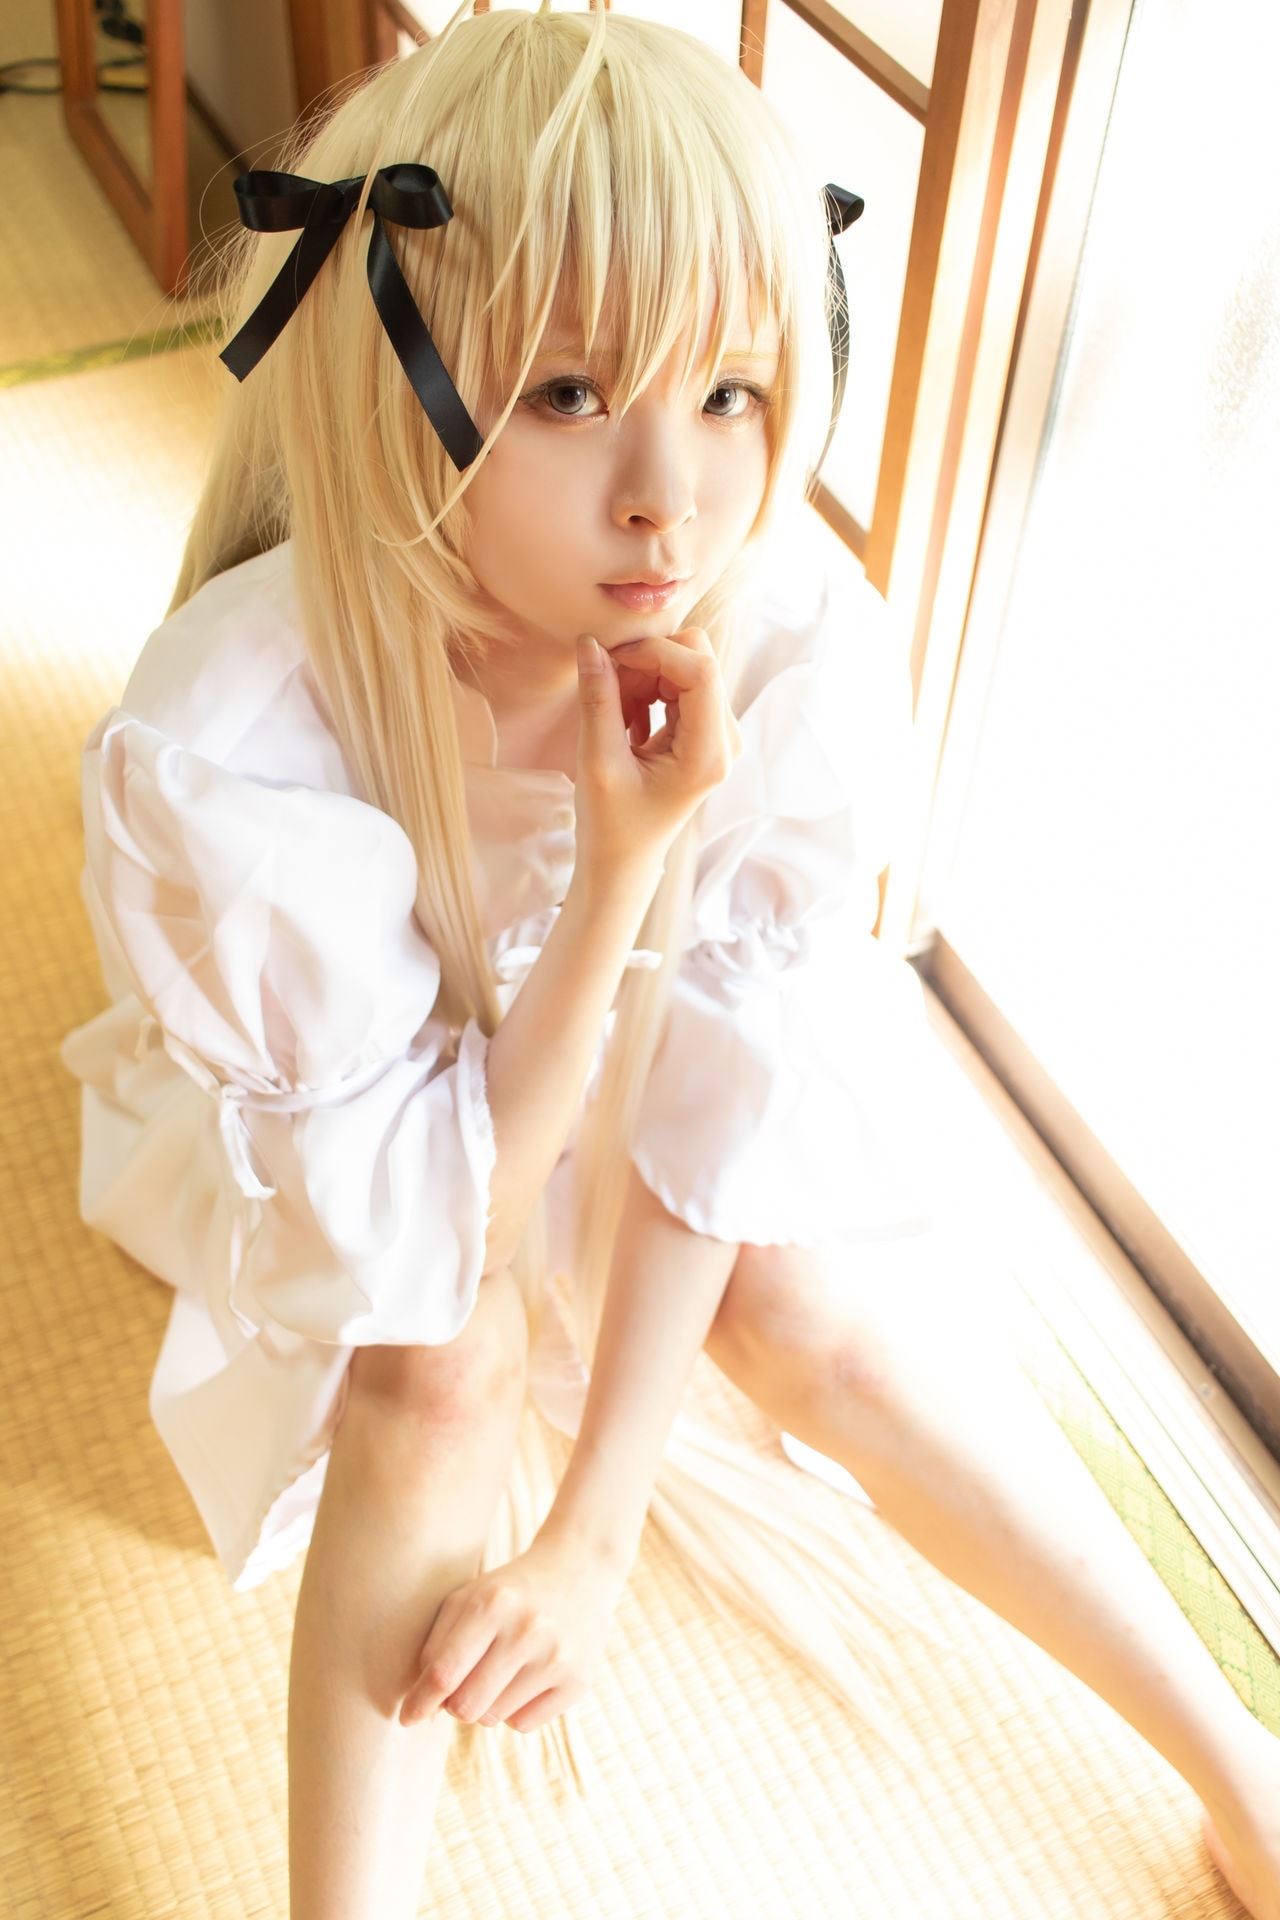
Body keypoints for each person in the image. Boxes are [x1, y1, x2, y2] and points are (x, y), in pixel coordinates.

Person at [60, 7, 1280, 1918]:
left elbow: (729, 1084)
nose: (671, 497)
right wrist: (621, 861)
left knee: (798, 1296)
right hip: (381, 1142)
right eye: (568, 393)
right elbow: (439, 1228)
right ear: (402, 383)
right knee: (440, 1368)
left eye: (730, 389)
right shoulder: (243, 726)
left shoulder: (780, 626)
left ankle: (1244, 1763)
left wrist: (594, 1536)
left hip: (600, 1066)